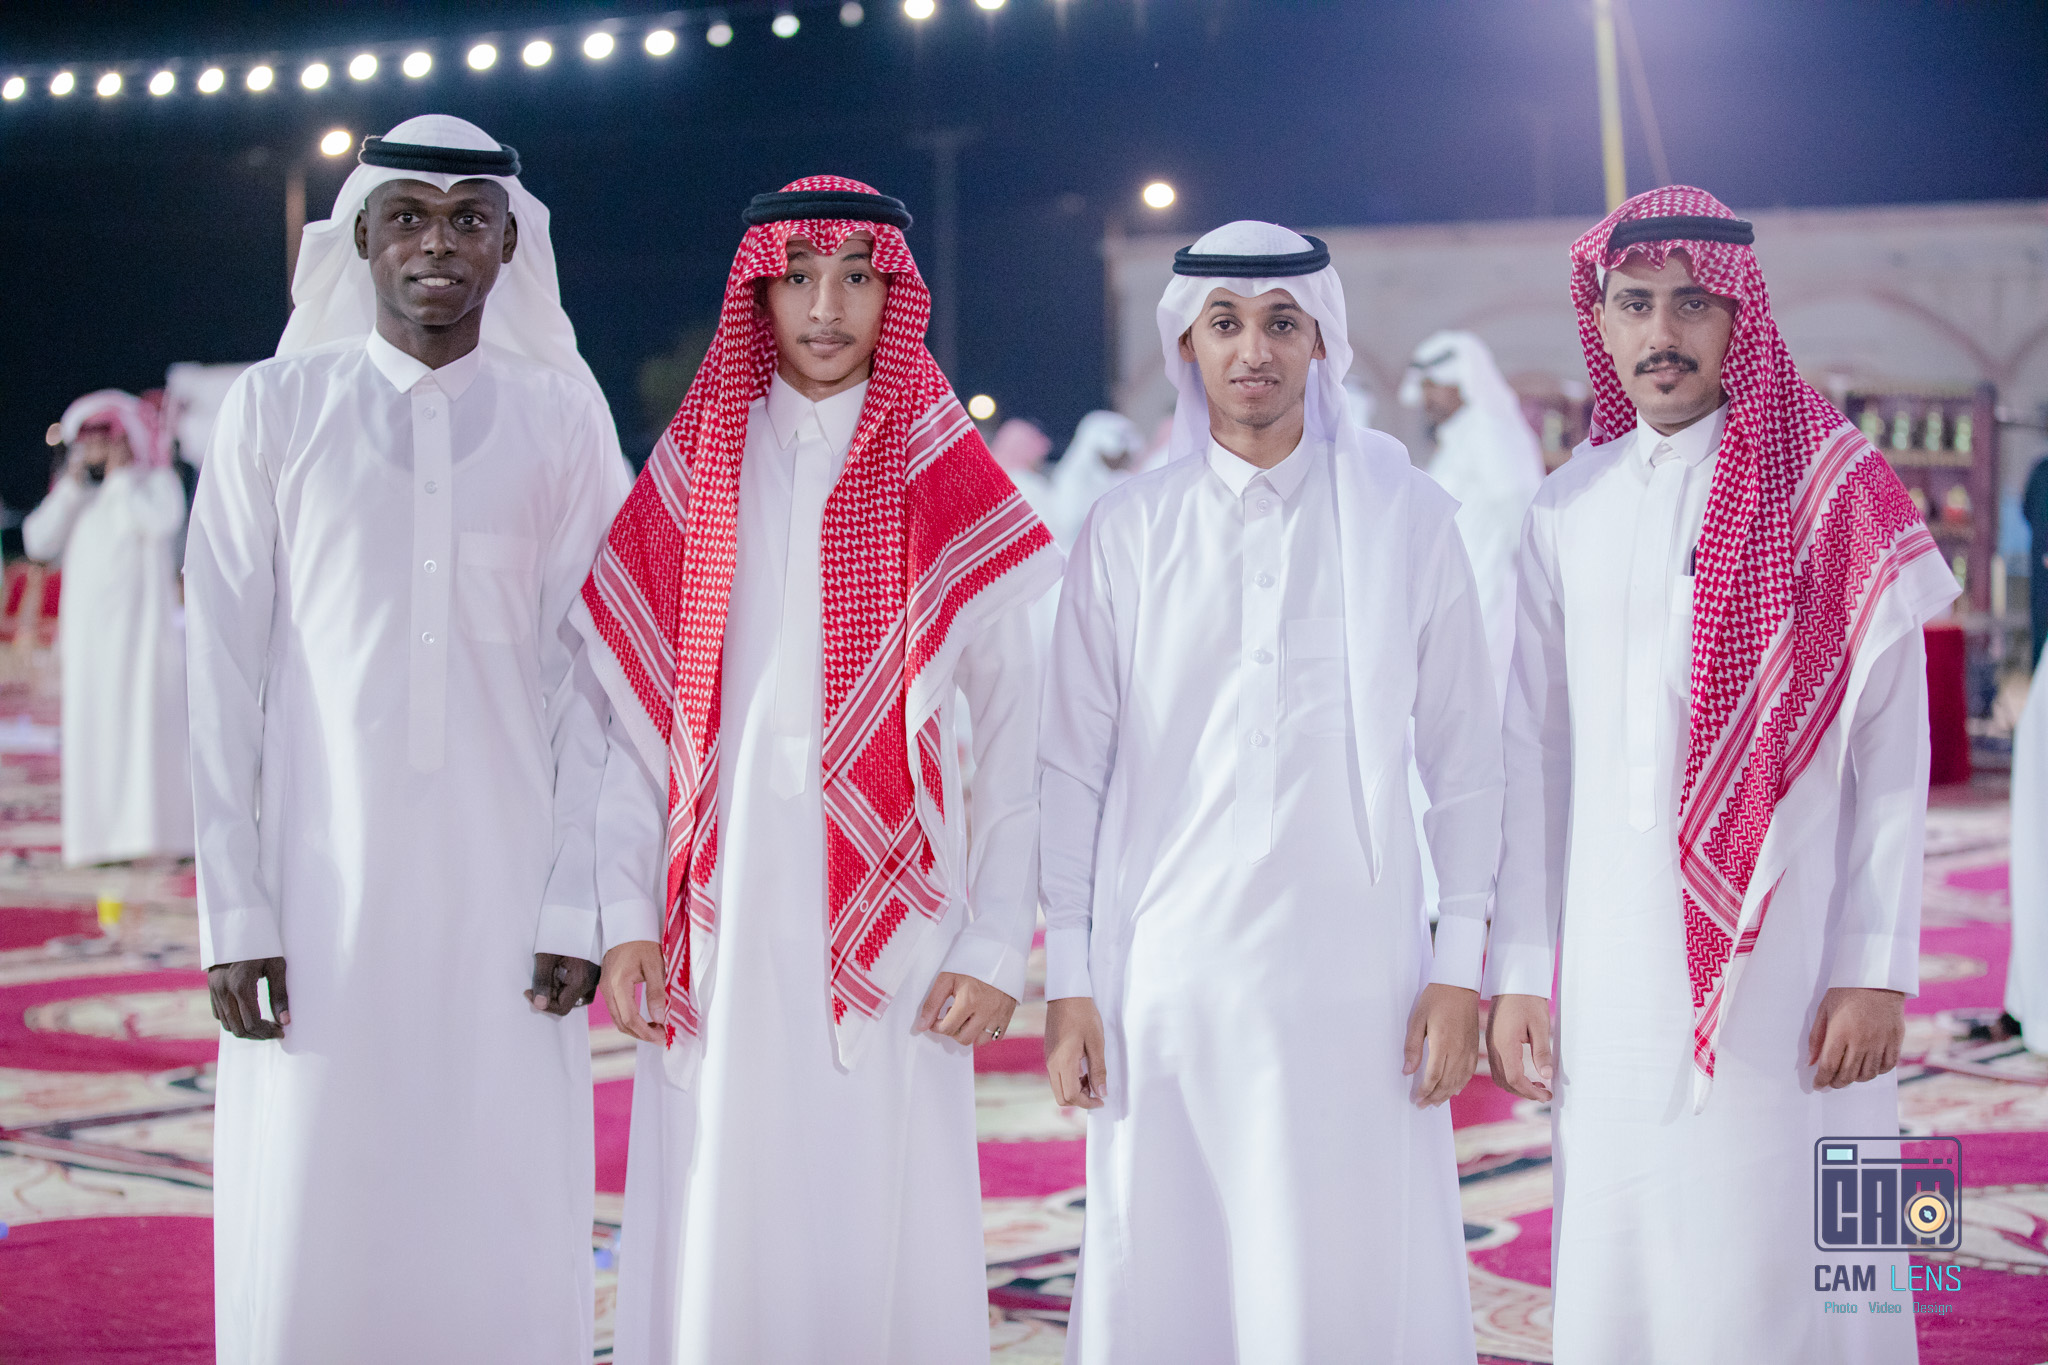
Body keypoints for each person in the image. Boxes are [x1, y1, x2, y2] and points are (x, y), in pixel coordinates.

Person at [577, 177, 1059, 1364]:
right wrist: (625, 916)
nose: (826, 306)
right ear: (758, 293)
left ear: (895, 295)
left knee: (878, 1198)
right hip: (716, 914)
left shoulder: (947, 477)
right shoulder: (695, 471)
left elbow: (1016, 739)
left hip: (902, 927)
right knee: (724, 1187)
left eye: (856, 277)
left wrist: (996, 940)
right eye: (797, 277)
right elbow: (632, 728)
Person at [1484, 188, 1958, 1364]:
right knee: (1626, 1227)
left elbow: (1890, 753)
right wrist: (1521, 970)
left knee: (1815, 1223)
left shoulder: (1834, 491)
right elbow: (1531, 752)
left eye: (1691, 303)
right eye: (1633, 304)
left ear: (1740, 313)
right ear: (1599, 320)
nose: (1661, 332)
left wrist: (1874, 966)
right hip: (1609, 958)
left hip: (1796, 954)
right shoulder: (1561, 506)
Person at [185, 115, 629, 1364]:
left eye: (468, 221)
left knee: (500, 1182)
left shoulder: (561, 420)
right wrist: (236, 910)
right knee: (318, 1186)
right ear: (362, 239)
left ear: (509, 247)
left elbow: (598, 680)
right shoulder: (278, 408)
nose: (437, 244)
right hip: (317, 891)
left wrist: (577, 899)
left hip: (508, 894)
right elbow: (219, 674)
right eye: (409, 219)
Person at [1039, 221, 1502, 1363]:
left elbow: (1463, 760)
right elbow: (1071, 765)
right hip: (1167, 979)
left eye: (1281, 323)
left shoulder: (1408, 520)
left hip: (1356, 981)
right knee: (1174, 1268)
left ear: (1321, 342)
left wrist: (1458, 967)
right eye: (1225, 324)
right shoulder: (1125, 530)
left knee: (1342, 1264)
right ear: (1186, 348)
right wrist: (1070, 980)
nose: (1253, 350)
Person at [23, 390, 192, 866]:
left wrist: (119, 480)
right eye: (88, 441)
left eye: (104, 438)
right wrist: (72, 487)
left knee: (144, 734)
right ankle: (98, 841)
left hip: (140, 645)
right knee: (94, 734)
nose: (95, 449)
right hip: (90, 648)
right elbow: (38, 541)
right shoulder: (76, 497)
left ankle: (154, 836)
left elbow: (163, 521)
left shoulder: (153, 484)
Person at [1399, 330, 1546, 700]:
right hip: (1452, 593)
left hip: (1485, 588)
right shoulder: (1459, 437)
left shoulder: (1487, 431)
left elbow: (1518, 516)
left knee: (1481, 695)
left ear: (1461, 383)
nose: (1427, 398)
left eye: (1433, 387)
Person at [1046, 409, 1147, 548]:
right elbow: (1070, 524)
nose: (1120, 461)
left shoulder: (1120, 478)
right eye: (1118, 456)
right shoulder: (1072, 480)